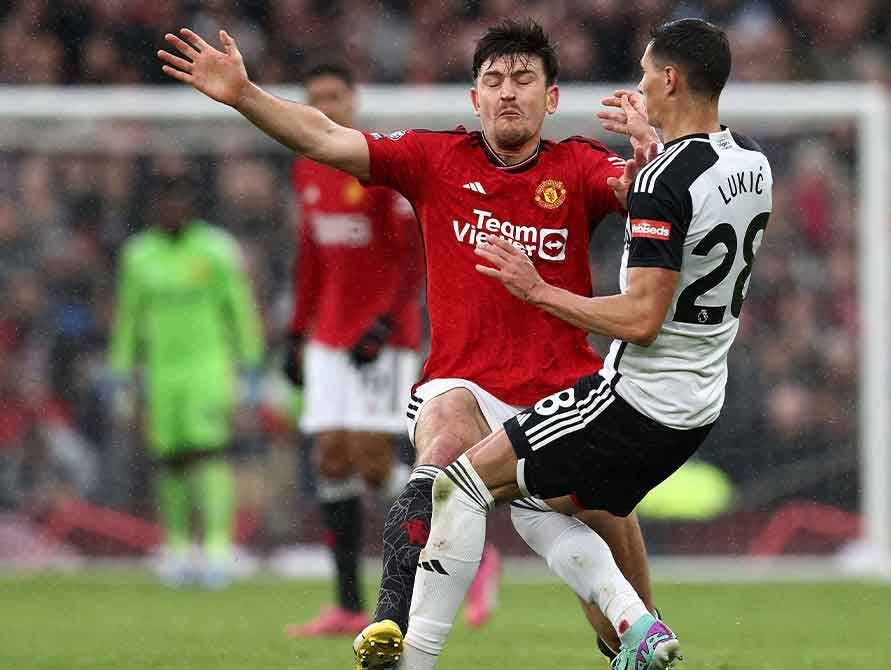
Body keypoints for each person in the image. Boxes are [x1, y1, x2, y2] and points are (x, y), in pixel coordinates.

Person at [156, 19, 661, 668]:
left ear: (551, 97)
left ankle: (634, 635)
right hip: (465, 385)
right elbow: (326, 137)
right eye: (494, 80)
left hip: (562, 398)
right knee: (441, 456)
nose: (508, 92)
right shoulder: (435, 158)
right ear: (474, 98)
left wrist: (653, 153)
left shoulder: (580, 166)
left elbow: (645, 194)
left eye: (524, 79)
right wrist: (245, 94)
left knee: (618, 609)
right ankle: (396, 638)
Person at [403, 18, 772, 670]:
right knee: (530, 501)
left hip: (633, 401)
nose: (637, 86)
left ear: (669, 80)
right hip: (699, 400)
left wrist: (536, 289)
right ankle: (634, 633)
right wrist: (650, 153)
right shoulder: (752, 162)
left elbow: (641, 319)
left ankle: (416, 657)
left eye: (643, 73)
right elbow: (688, 197)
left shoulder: (662, 181)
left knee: (460, 486)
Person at [282, 60, 425, 638]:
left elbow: (415, 257)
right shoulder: (305, 170)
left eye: (334, 96)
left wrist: (387, 323)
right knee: (331, 459)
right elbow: (311, 257)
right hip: (328, 336)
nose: (326, 107)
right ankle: (346, 604)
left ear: (354, 98)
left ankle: (454, 532)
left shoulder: (377, 164)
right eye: (314, 98)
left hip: (383, 340)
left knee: (371, 461)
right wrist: (295, 331)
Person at [109, 177, 264, 589]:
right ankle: (176, 548)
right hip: (161, 372)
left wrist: (249, 363)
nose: (171, 209)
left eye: (178, 201)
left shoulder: (215, 249)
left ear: (191, 205)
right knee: (169, 460)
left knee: (208, 454)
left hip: (207, 367)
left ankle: (216, 548)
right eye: (164, 202)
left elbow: (239, 307)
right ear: (154, 208)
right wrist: (122, 370)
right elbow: (129, 317)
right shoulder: (138, 255)